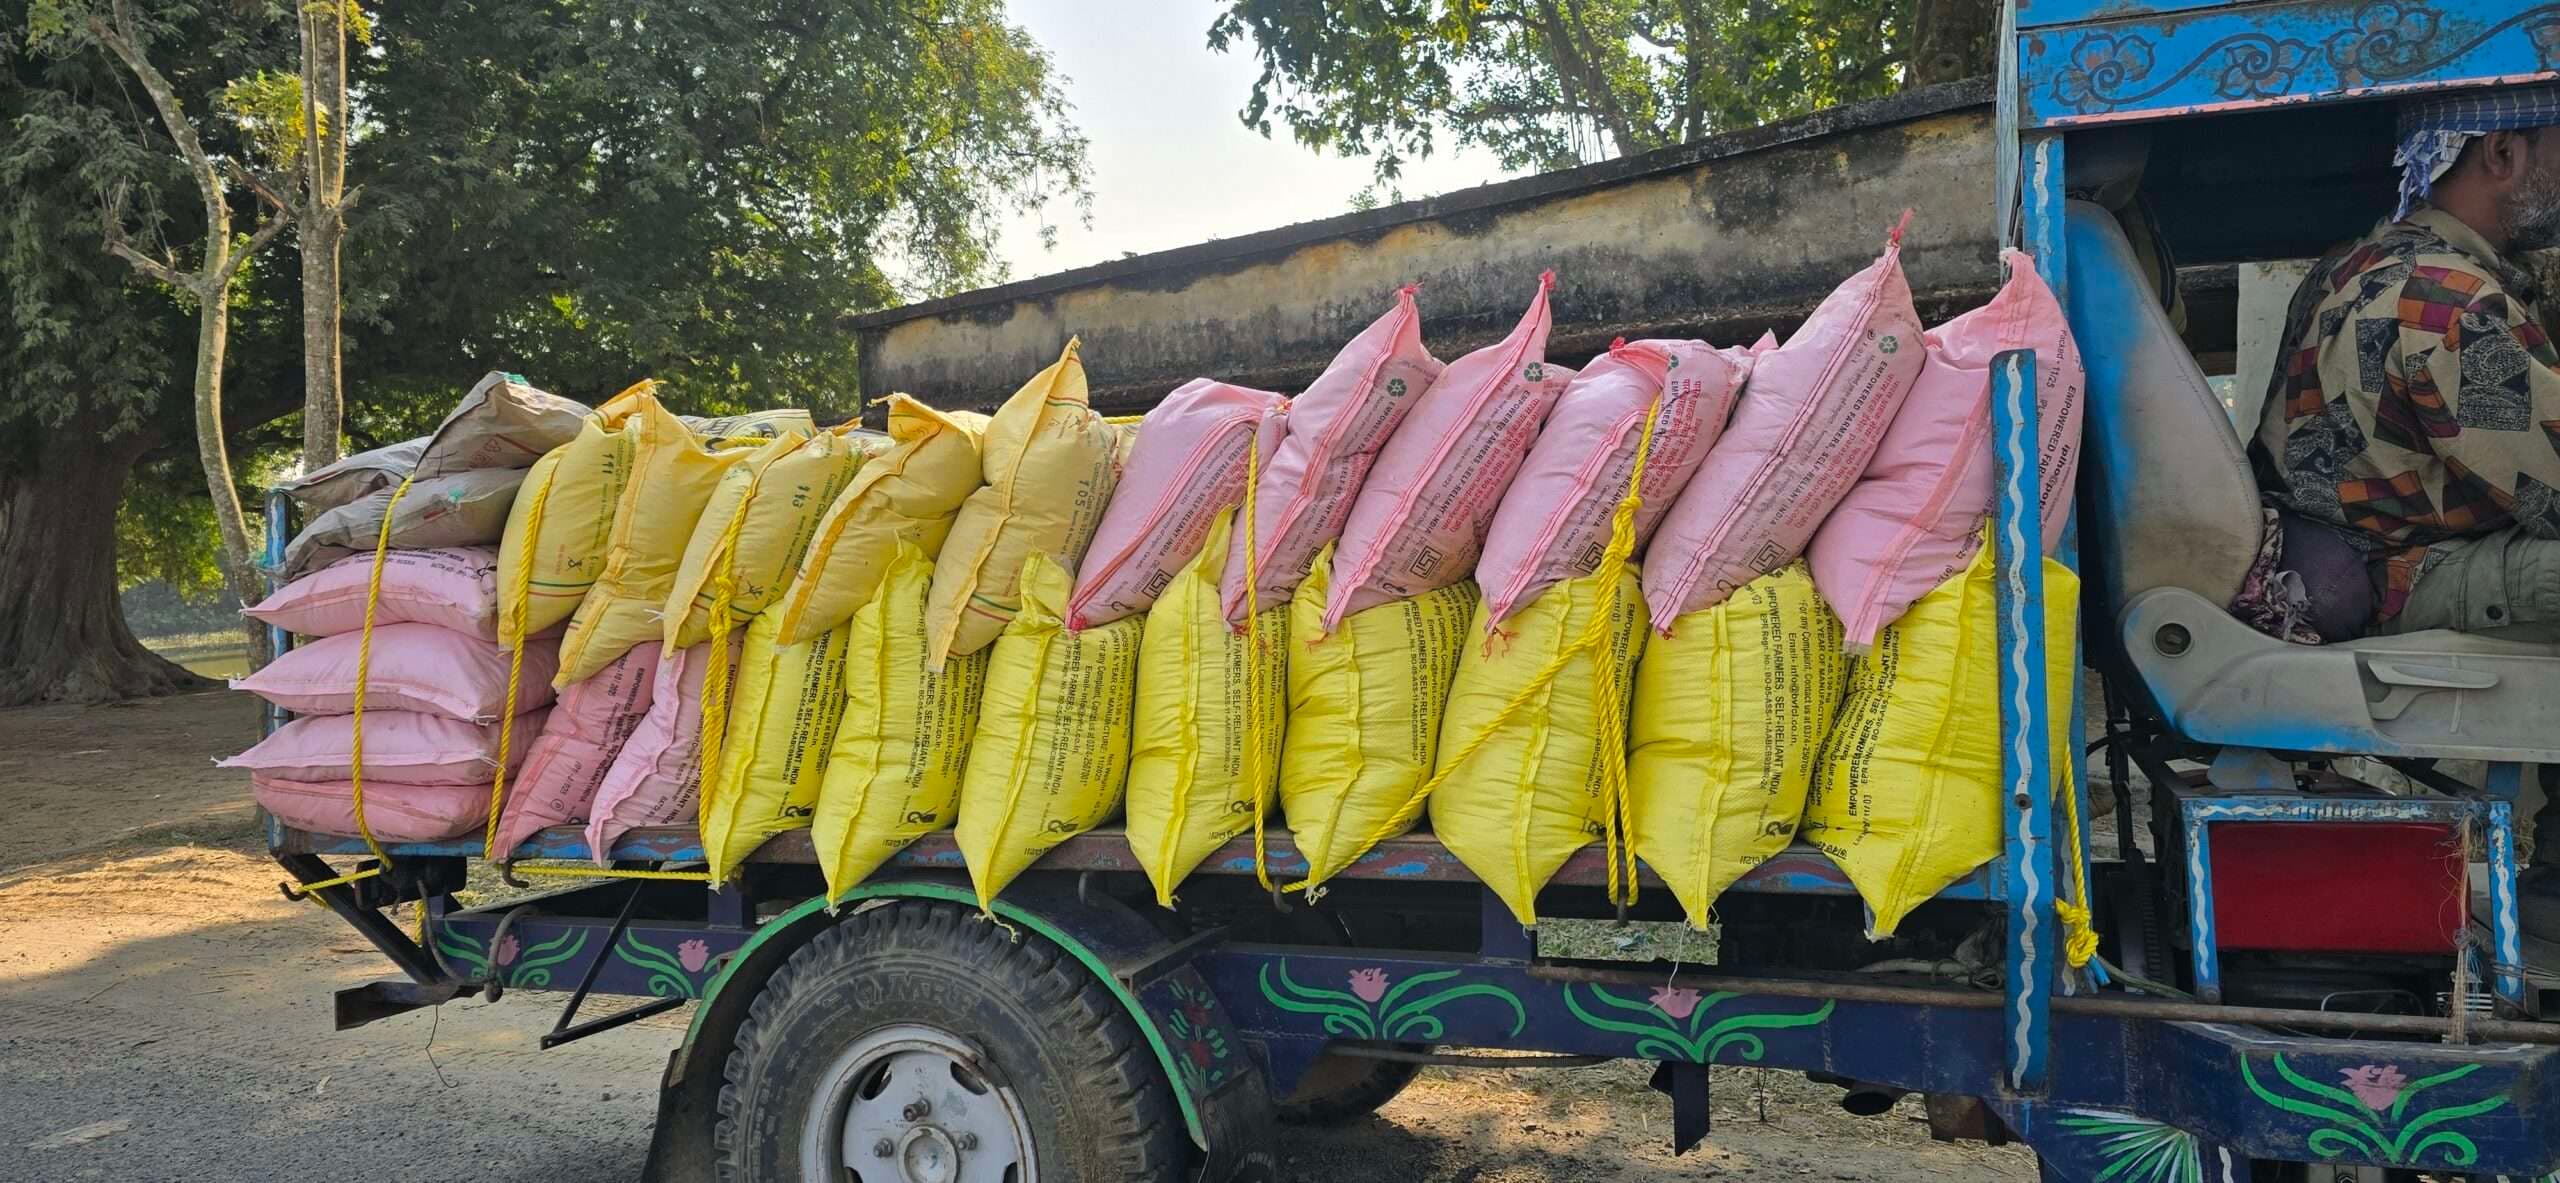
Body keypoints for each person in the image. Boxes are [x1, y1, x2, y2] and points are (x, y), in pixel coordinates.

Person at [2251, 83, 2560, 937]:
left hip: (2352, 555)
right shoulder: (2452, 305)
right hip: (2400, 576)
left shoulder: (2349, 265)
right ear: (2502, 155)